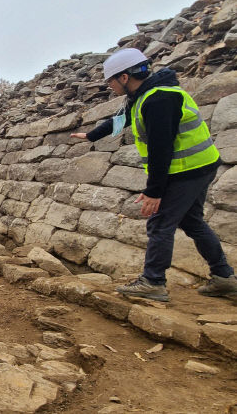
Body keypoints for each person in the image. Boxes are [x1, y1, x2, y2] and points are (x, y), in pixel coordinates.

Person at [71, 48, 236, 302]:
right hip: (199, 165)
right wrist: (92, 135)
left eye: (110, 81)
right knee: (192, 222)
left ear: (124, 77)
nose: (110, 87)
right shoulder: (146, 95)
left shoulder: (159, 100)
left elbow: (162, 149)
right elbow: (123, 118)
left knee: (159, 223)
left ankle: (153, 281)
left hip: (187, 170)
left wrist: (154, 192)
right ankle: (225, 278)